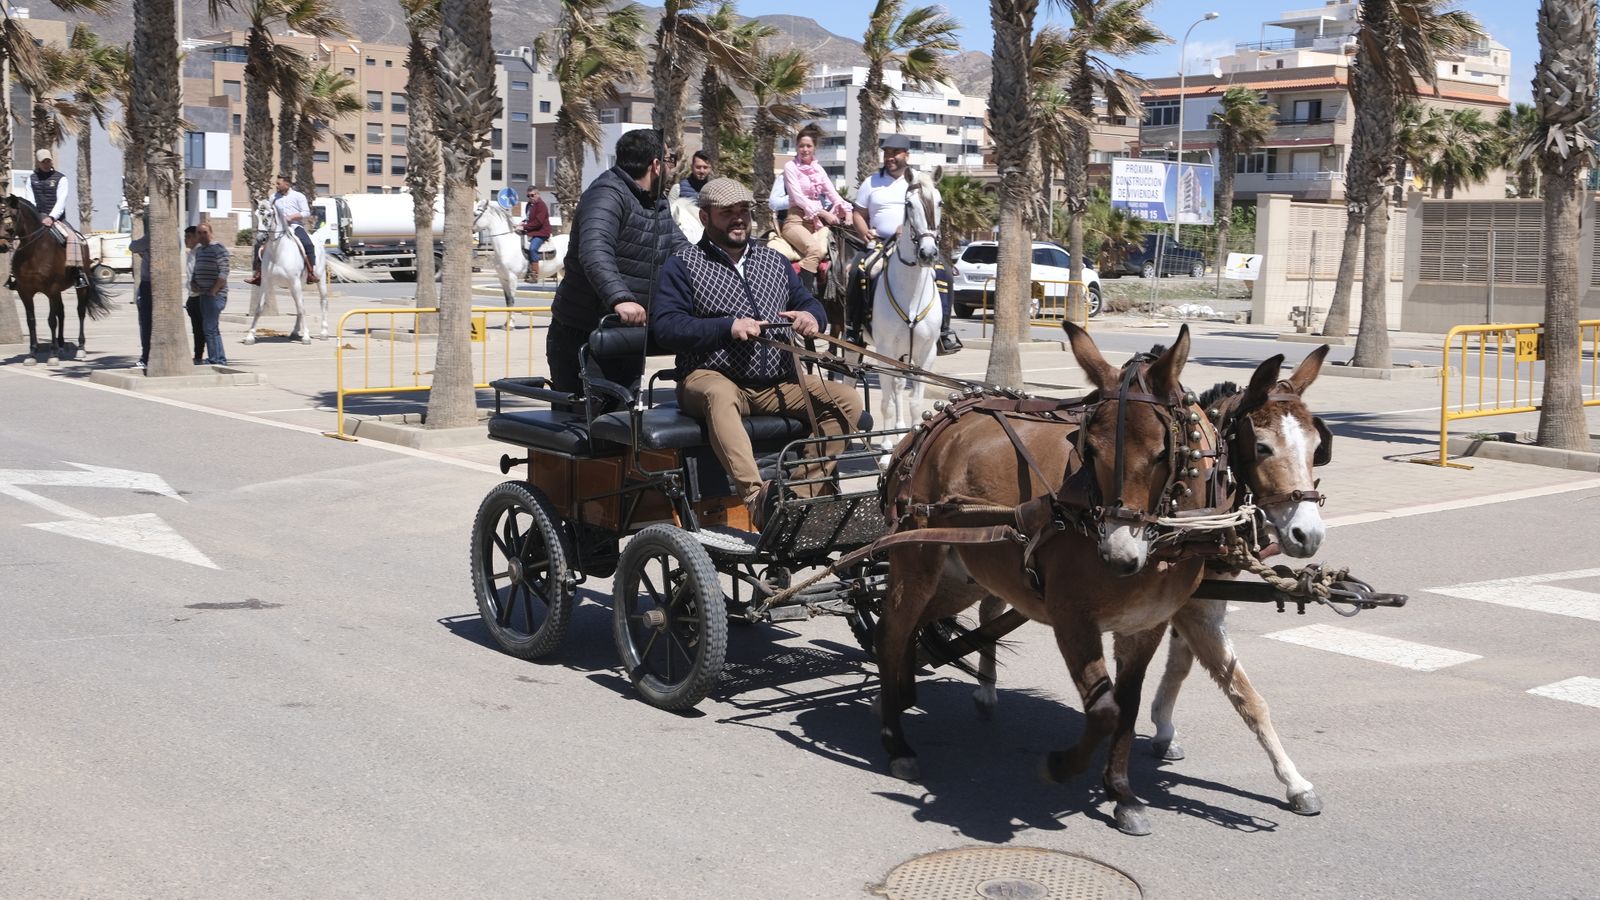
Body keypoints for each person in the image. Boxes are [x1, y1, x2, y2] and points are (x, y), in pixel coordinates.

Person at [652, 177, 863, 529]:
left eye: (744, 212)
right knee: (719, 394)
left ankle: (797, 496)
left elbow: (808, 302)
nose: (738, 219)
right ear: (705, 218)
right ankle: (756, 498)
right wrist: (726, 327)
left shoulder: (774, 262)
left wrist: (812, 316)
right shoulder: (683, 264)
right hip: (708, 375)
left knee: (847, 401)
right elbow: (667, 326)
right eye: (727, 213)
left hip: (776, 381)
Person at [547, 128, 686, 398]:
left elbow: (680, 251)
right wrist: (620, 298)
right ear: (656, 165)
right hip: (584, 334)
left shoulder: (655, 202)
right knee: (588, 425)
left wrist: (720, 272)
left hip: (625, 333)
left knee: (624, 421)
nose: (672, 168)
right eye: (670, 160)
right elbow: (595, 250)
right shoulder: (607, 195)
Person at [849, 134, 961, 355]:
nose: (889, 157)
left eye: (895, 153)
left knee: (945, 272)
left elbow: (930, 209)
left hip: (913, 242)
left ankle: (945, 332)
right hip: (880, 243)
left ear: (906, 155)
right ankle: (854, 328)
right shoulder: (871, 182)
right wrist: (865, 233)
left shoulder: (919, 180)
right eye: (886, 152)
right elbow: (858, 214)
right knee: (857, 270)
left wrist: (907, 227)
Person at [781, 123, 852, 299]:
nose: (804, 149)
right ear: (796, 147)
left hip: (815, 225)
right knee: (814, 251)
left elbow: (833, 193)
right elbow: (798, 198)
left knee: (840, 250)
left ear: (814, 148)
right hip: (795, 222)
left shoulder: (818, 169)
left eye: (808, 146)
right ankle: (804, 297)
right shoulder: (790, 167)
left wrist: (847, 211)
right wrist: (824, 213)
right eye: (801, 146)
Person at [12, 148, 90, 289]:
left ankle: (79, 274)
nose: (46, 164)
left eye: (48, 160)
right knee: (18, 241)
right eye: (43, 162)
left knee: (73, 238)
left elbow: (61, 200)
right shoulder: (31, 179)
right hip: (37, 217)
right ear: (38, 162)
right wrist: (37, 216)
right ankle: (14, 275)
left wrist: (51, 217)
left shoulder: (61, 178)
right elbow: (31, 200)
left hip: (57, 218)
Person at [245, 173, 318, 286]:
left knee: (308, 244)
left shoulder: (298, 196)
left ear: (287, 184)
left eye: (279, 184)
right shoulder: (273, 197)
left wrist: (291, 217)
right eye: (276, 184)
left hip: (294, 226)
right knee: (258, 245)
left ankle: (311, 273)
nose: (276, 186)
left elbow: (306, 212)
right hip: (277, 229)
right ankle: (258, 274)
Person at [190, 223, 231, 366]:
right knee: (211, 328)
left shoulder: (218, 249)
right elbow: (196, 269)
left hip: (215, 296)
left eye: (204, 232)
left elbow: (224, 272)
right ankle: (218, 357)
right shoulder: (200, 250)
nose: (201, 235)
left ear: (211, 233)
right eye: (199, 233)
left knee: (209, 328)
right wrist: (193, 282)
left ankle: (216, 359)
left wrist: (214, 290)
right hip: (203, 294)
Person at [515, 188, 551, 282]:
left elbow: (538, 222)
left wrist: (524, 227)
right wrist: (522, 223)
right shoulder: (529, 205)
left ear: (537, 194)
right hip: (531, 231)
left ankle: (534, 274)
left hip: (541, 232)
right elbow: (527, 219)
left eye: (532, 195)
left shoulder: (541, 205)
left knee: (533, 248)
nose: (530, 197)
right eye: (528, 196)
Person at [183, 226, 206, 363]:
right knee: (196, 329)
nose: (186, 240)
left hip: (201, 296)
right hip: (192, 296)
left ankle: (214, 356)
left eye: (189, 237)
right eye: (185, 237)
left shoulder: (200, 252)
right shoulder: (190, 253)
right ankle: (198, 355)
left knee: (205, 329)